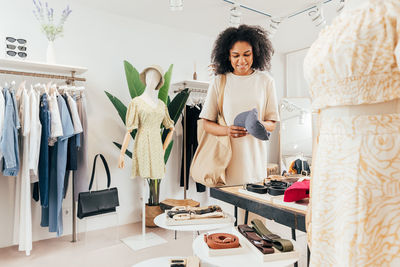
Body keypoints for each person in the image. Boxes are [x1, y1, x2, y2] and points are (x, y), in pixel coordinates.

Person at [304, 0, 400, 266]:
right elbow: (322, 116)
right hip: (331, 179)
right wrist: (314, 190)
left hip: (377, 174)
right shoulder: (338, 20)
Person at [199, 24, 280, 185]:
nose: (241, 61)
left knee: (254, 207)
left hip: (255, 163)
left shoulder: (266, 81)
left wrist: (255, 125)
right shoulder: (219, 81)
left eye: (246, 54)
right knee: (228, 209)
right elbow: (206, 124)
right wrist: (227, 130)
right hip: (225, 164)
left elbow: (272, 124)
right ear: (228, 56)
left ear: (255, 54)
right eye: (235, 55)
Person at [118, 65, 174, 179]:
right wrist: (122, 154)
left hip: (157, 144)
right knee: (144, 175)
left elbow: (171, 128)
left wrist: (163, 149)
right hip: (142, 142)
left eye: (155, 78)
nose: (151, 79)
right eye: (149, 76)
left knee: (155, 175)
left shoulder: (162, 105)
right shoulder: (136, 103)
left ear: (159, 81)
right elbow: (129, 131)